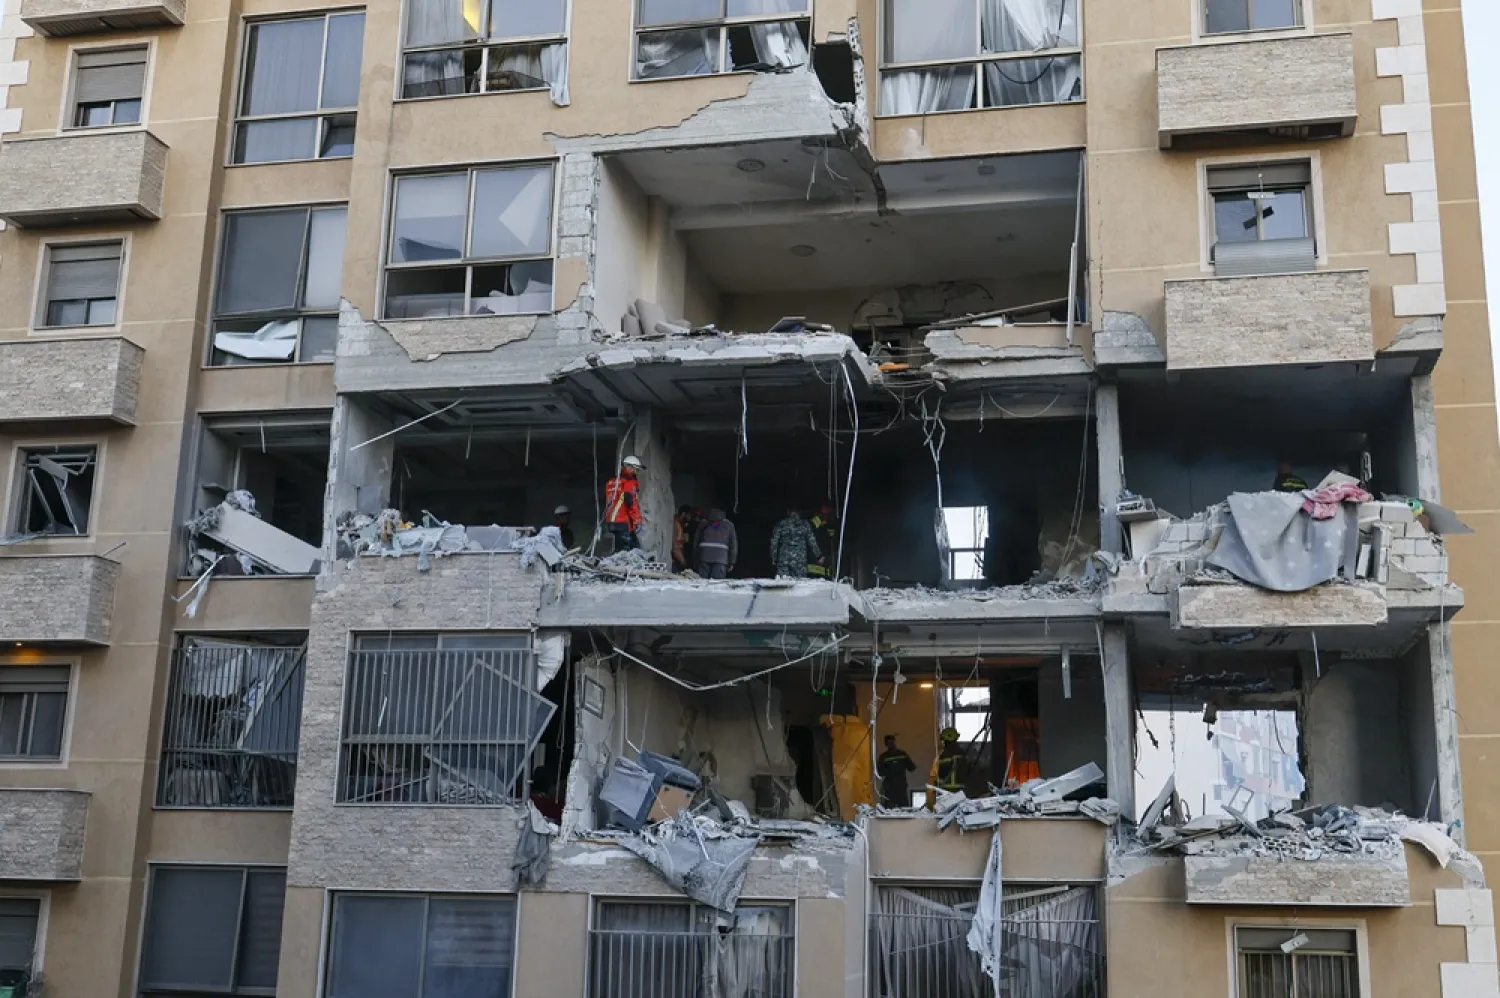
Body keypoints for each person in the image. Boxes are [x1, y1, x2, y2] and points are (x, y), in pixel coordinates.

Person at [603, 456, 645, 552]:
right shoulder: (629, 482)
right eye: (636, 470)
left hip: (612, 521)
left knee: (620, 549)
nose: (636, 473)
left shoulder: (611, 482)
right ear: (630, 467)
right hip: (623, 521)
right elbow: (630, 502)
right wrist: (637, 520)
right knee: (629, 552)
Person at [769, 506, 822, 578]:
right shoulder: (805, 524)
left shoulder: (781, 523)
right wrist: (819, 556)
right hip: (800, 561)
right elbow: (812, 541)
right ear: (799, 512)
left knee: (783, 584)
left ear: (788, 511)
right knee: (800, 584)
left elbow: (774, 542)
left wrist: (773, 557)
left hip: (784, 559)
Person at [693, 508, 737, 578]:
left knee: (702, 583)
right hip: (721, 558)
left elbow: (696, 542)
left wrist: (695, 558)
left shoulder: (703, 523)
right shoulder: (729, 525)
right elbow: (733, 545)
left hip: (704, 557)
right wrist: (732, 561)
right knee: (717, 585)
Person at [877, 735, 916, 808]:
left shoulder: (901, 754)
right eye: (889, 743)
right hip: (891, 787)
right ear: (886, 744)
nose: (891, 744)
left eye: (892, 742)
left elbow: (912, 767)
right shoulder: (884, 757)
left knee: (903, 809)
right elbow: (879, 772)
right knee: (892, 809)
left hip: (898, 786)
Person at [806, 503, 838, 578]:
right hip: (812, 573)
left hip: (826, 572)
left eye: (829, 513)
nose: (826, 516)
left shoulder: (828, 528)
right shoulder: (810, 526)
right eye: (824, 512)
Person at [934, 727, 965, 793]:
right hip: (962, 789)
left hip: (948, 789)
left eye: (943, 740)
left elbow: (942, 774)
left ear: (946, 740)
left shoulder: (946, 754)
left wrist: (936, 784)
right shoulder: (962, 752)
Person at [671, 504, 697, 573]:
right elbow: (675, 546)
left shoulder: (680, 526)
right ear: (683, 514)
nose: (690, 518)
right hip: (674, 561)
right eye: (689, 515)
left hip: (677, 560)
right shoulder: (675, 525)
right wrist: (683, 561)